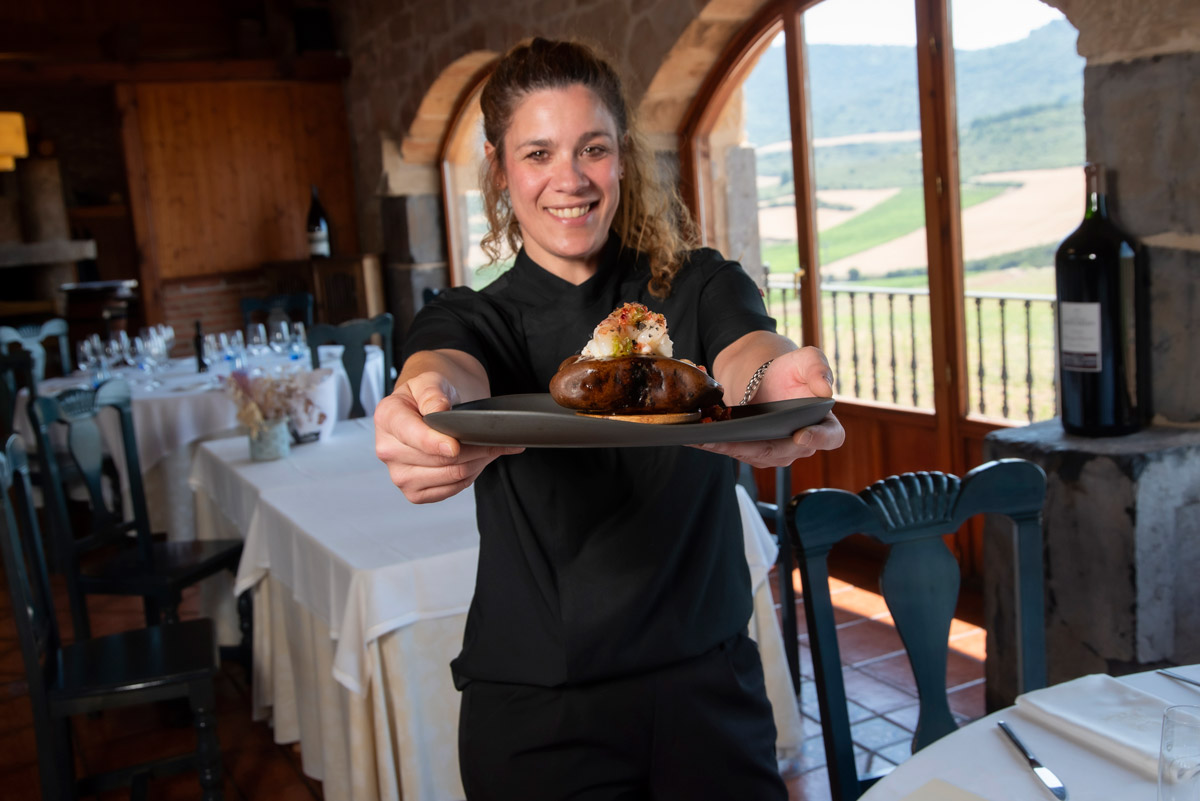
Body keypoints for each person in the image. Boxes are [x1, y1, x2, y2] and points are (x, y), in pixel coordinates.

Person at [375, 37, 845, 800]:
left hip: (708, 694)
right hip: (541, 714)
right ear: (499, 169)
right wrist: (421, 406)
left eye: (592, 148)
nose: (570, 178)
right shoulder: (475, 315)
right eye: (538, 153)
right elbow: (444, 368)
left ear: (621, 157)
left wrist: (775, 382)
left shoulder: (694, 284)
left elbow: (743, 349)